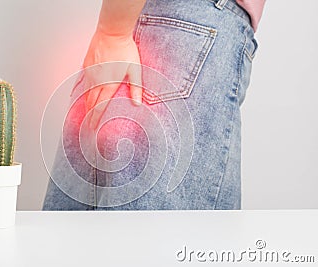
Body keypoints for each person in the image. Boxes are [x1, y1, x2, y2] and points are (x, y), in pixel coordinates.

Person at [42, 0, 265, 210]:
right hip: (179, 31)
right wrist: (113, 33)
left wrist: (113, 32)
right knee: (156, 243)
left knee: (78, 240)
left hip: (148, 26)